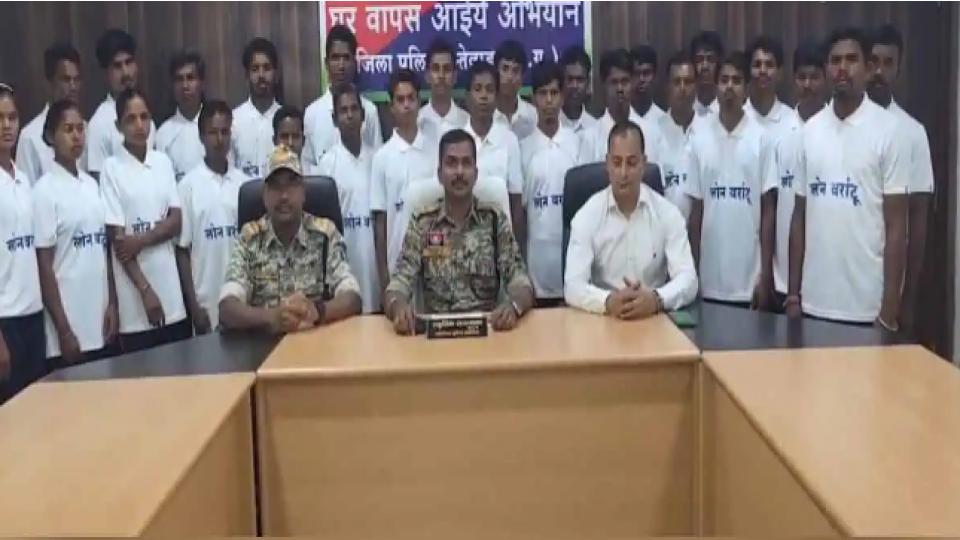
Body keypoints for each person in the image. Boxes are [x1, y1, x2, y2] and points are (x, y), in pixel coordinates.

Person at [787, 28, 909, 329]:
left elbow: (896, 227)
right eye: (835, 60)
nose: (842, 68)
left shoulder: (890, 131)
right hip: (813, 305)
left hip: (867, 311)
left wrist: (889, 310)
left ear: (867, 68)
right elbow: (798, 218)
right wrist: (793, 295)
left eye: (852, 60)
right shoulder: (810, 131)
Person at [384, 129, 534, 335]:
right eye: (451, 163)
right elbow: (398, 285)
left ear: (476, 173)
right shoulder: (423, 222)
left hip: (488, 335)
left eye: (466, 163)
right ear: (439, 174)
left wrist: (514, 306)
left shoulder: (493, 219)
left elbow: (521, 282)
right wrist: (398, 306)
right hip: (437, 337)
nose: (460, 172)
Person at [219, 145, 362, 333]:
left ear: (303, 192)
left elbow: (352, 297)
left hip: (316, 342)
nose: (284, 196)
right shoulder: (250, 238)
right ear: (265, 195)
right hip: (264, 346)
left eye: (291, 185)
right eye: (276, 187)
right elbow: (227, 307)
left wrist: (317, 311)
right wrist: (272, 318)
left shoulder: (325, 234)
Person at [565, 121, 697, 317]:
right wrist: (608, 301)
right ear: (607, 164)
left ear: (644, 163)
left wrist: (656, 299)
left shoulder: (667, 213)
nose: (623, 173)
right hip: (604, 320)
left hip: (653, 319)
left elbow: (688, 279)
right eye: (617, 162)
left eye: (632, 163)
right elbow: (573, 286)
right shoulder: (587, 216)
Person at [686, 52, 777, 309]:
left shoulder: (762, 138)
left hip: (750, 283)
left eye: (736, 81)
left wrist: (766, 275)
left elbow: (768, 211)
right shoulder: (699, 138)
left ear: (746, 89)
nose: (729, 87)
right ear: (716, 87)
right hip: (709, 281)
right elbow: (696, 213)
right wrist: (692, 273)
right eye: (724, 80)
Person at [101, 88, 190, 352]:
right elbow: (119, 242)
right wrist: (145, 290)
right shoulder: (111, 168)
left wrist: (139, 240)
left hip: (171, 294)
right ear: (118, 126)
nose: (140, 125)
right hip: (135, 300)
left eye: (144, 117)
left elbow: (176, 221)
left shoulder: (162, 162)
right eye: (131, 119)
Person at [34, 99, 117, 368]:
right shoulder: (44, 191)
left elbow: (104, 251)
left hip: (100, 322)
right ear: (51, 136)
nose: (76, 136)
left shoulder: (92, 185)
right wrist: (63, 329)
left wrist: (112, 304)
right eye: (68, 129)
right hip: (67, 330)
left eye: (80, 129)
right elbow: (44, 266)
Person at [868, 24, 935, 334]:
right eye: (873, 62)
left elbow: (917, 222)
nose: (878, 72)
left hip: (889, 294)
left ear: (898, 69)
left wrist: (906, 301)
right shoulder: (834, 124)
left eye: (888, 63)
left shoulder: (912, 133)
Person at [174, 100, 247, 334]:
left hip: (243, 299)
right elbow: (182, 250)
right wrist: (194, 307)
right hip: (206, 302)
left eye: (225, 132)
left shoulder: (244, 185)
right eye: (212, 132)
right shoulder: (188, 186)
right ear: (201, 136)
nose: (219, 139)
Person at [370, 69, 437, 297]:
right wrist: (384, 281)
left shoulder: (435, 151)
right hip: (396, 263)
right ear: (391, 107)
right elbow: (380, 221)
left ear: (419, 103)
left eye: (411, 98)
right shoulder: (382, 157)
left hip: (434, 263)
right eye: (400, 100)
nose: (406, 105)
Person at [771, 42, 828, 307]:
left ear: (825, 79)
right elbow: (769, 206)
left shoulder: (836, 130)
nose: (807, 84)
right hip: (781, 278)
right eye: (802, 77)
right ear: (793, 80)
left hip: (824, 276)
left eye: (814, 77)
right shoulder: (777, 133)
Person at [521, 61, 582, 306]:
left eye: (554, 93)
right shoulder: (523, 147)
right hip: (536, 268)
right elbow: (520, 214)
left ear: (562, 97)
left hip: (573, 265)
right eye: (542, 93)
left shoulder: (577, 144)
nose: (549, 101)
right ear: (533, 99)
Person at [0, 84, 46, 404]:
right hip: (6, 320)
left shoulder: (23, 178)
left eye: (12, 117)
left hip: (33, 313)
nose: (7, 126)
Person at [317, 84, 380, 313]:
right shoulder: (326, 165)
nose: (350, 115)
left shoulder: (379, 158)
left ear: (363, 115)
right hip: (345, 263)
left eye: (354, 109)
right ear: (334, 119)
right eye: (343, 111)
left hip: (376, 263)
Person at [462, 61, 525, 241]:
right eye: (478, 89)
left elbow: (516, 202)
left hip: (500, 240)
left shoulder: (509, 140)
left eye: (490, 90)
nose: (484, 96)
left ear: (497, 97)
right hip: (464, 239)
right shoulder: (457, 140)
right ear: (467, 97)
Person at [304, 24, 382, 166]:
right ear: (326, 63)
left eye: (346, 58)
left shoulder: (369, 111)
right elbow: (308, 166)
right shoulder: (312, 114)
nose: (341, 66)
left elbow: (378, 162)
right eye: (335, 58)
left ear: (354, 62)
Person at [87, 29, 156, 178]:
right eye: (117, 66)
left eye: (129, 62)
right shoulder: (99, 124)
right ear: (106, 73)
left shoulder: (145, 113)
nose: (126, 73)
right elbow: (99, 180)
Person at [16, 42, 84, 184]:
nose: (73, 87)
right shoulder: (30, 136)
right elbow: (27, 190)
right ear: (49, 83)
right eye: (66, 80)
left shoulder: (85, 129)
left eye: (76, 79)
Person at [583, 48, 661, 163]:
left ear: (632, 82)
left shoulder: (651, 132)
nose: (620, 89)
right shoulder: (590, 137)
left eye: (625, 81)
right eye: (614, 82)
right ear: (604, 85)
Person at [649, 51, 701, 218]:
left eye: (688, 82)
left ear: (696, 87)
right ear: (667, 87)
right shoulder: (652, 133)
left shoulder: (709, 132)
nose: (683, 89)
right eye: (677, 82)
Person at [232, 37, 282, 179]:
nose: (261, 75)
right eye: (255, 69)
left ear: (276, 74)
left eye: (267, 68)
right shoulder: (233, 121)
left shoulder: (285, 120)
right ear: (246, 75)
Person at [156, 50, 206, 181]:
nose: (185, 86)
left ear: (202, 83)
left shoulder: (217, 127)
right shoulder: (163, 134)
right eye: (179, 79)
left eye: (190, 78)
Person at [744, 36, 797, 148]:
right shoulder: (737, 118)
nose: (763, 71)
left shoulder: (792, 122)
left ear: (780, 73)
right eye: (757, 65)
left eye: (769, 65)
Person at [419, 38, 468, 137]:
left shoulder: (467, 123)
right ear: (427, 76)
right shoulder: (416, 122)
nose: (441, 75)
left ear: (455, 76)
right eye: (436, 69)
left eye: (447, 69)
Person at [493, 39, 538, 140]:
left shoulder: (534, 116)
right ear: (495, 72)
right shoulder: (486, 115)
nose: (509, 77)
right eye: (505, 69)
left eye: (516, 70)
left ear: (522, 77)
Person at [558, 45, 598, 137]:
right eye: (570, 79)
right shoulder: (551, 126)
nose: (574, 86)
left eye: (580, 79)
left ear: (588, 82)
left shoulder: (595, 128)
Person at [689, 30, 724, 117]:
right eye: (699, 59)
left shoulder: (728, 110)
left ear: (719, 63)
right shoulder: (685, 109)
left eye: (710, 59)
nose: (705, 66)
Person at [271, 105, 313, 173]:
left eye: (295, 136)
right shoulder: (264, 177)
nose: (290, 143)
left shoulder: (317, 175)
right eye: (284, 137)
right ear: (274, 141)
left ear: (303, 141)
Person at [630, 45, 666, 123]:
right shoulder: (620, 118)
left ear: (655, 76)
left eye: (646, 73)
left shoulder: (664, 121)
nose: (641, 79)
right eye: (636, 73)